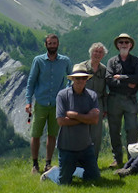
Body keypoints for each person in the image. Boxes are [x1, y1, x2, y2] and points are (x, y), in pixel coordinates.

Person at [25, 34, 72, 174]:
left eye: (54, 43)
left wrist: (66, 92)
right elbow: (31, 81)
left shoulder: (65, 61)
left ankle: (47, 164)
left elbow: (71, 77)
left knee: (52, 135)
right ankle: (35, 164)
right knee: (35, 134)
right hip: (40, 102)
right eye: (50, 43)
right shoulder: (38, 60)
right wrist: (28, 101)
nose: (52, 45)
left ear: (58, 44)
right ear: (46, 45)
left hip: (57, 104)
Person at [54, 64, 101, 185]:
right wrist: (86, 117)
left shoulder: (92, 95)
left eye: (83, 78)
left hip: (86, 147)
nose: (80, 81)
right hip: (67, 147)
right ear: (73, 79)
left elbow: (95, 120)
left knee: (95, 178)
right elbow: (61, 121)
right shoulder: (62, 95)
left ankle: (74, 171)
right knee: (64, 182)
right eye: (77, 78)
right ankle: (52, 174)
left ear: (87, 79)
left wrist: (74, 115)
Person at [106, 33, 138, 168]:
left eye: (126, 42)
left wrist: (120, 77)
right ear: (117, 45)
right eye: (121, 42)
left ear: (130, 45)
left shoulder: (136, 61)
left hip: (130, 100)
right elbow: (109, 80)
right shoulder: (111, 61)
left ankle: (131, 158)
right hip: (114, 99)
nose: (123, 44)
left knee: (132, 129)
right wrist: (128, 81)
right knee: (114, 130)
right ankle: (117, 158)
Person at [77, 42, 108, 160]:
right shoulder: (82, 67)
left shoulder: (104, 70)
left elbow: (105, 91)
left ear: (103, 55)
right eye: (95, 51)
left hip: (98, 103)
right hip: (82, 102)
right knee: (82, 132)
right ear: (91, 53)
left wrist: (105, 108)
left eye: (100, 52)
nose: (97, 54)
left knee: (96, 135)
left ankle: (92, 161)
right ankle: (79, 162)